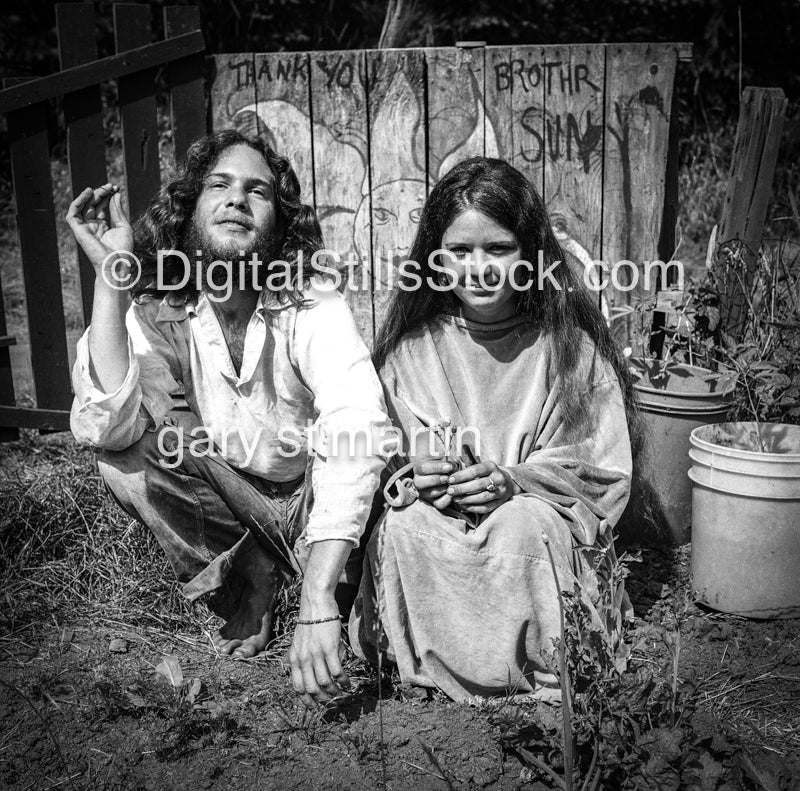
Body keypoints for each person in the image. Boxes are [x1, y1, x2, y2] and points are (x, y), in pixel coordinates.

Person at [67, 130, 388, 705]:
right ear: (189, 209)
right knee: (126, 461)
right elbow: (106, 426)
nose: (237, 198)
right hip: (234, 496)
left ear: (279, 222)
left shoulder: (309, 301)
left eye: (257, 191)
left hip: (314, 493)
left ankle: (316, 574)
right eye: (219, 185)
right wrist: (111, 280)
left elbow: (357, 425)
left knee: (365, 617)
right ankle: (252, 577)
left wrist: (318, 595)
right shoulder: (162, 310)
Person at [349, 157, 638, 701]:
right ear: (436, 258)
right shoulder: (410, 352)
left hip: (530, 539)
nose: (478, 268)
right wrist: (415, 478)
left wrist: (515, 483)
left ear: (530, 254)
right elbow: (377, 461)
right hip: (441, 536)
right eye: (460, 250)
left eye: (498, 248)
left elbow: (603, 471)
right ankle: (426, 660)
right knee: (407, 523)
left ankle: (546, 664)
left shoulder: (570, 351)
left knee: (523, 524)